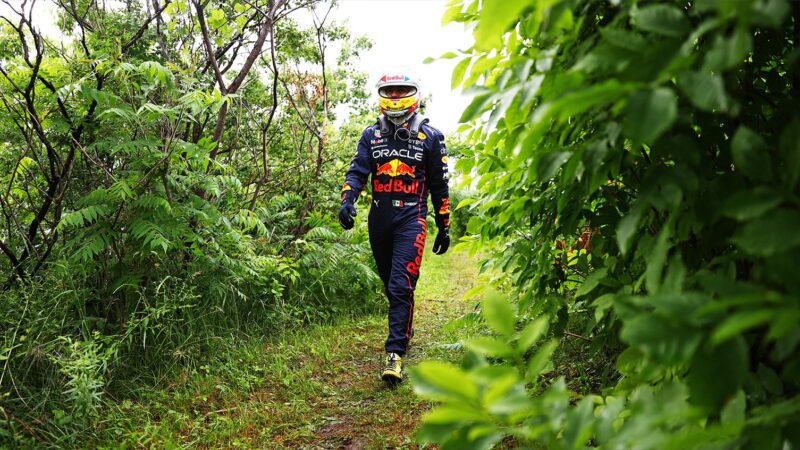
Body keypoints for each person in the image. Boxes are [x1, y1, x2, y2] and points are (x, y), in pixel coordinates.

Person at [338, 74, 450, 383]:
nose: (397, 95)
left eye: (402, 90)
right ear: (382, 95)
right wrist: (347, 200)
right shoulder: (370, 135)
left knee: (401, 285)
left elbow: (440, 185)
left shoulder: (431, 137)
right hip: (379, 219)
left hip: (412, 218)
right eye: (391, 91)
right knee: (391, 285)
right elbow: (357, 172)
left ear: (414, 94)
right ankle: (404, 327)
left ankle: (395, 354)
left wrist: (444, 225)